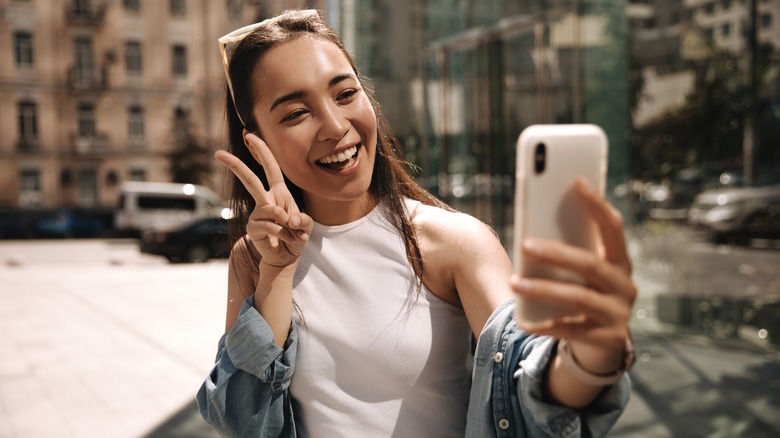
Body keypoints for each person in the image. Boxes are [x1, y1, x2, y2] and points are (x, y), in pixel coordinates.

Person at [198, 9, 636, 438]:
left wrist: (591, 353)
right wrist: (276, 272)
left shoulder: (453, 241)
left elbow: (523, 370)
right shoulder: (255, 259)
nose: (335, 126)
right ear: (255, 142)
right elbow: (241, 418)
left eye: (346, 94)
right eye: (296, 113)